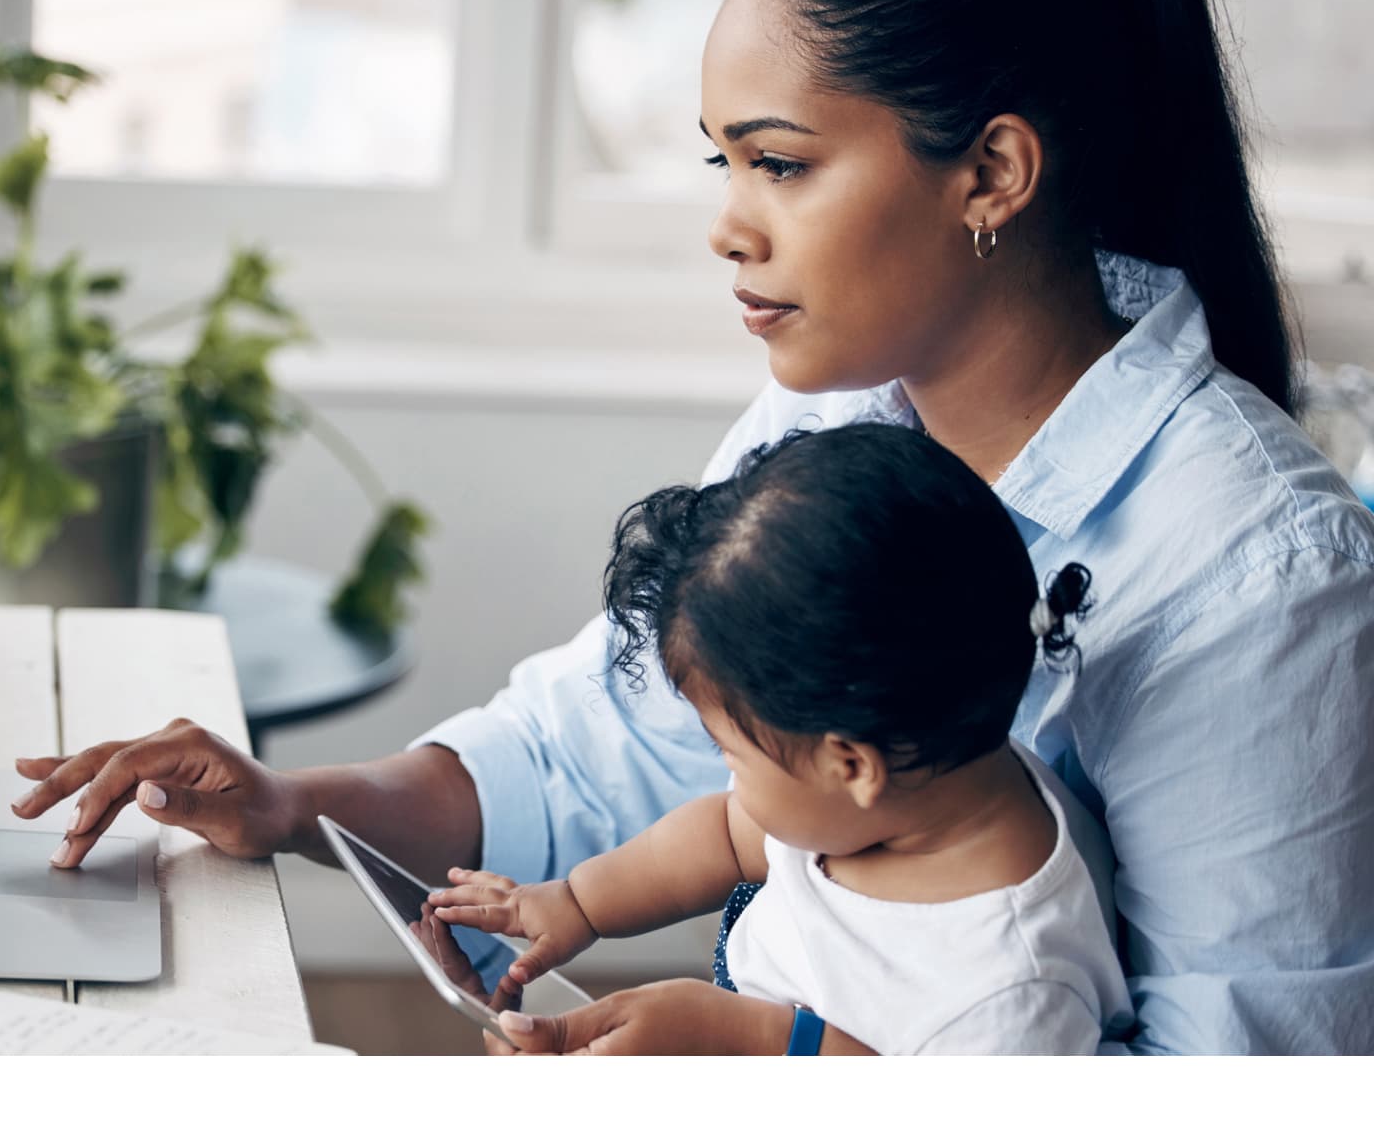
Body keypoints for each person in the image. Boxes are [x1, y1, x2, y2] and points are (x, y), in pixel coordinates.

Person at [11, 0, 1374, 1054]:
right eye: (722, 162)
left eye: (781, 165)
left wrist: (760, 1058)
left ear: (995, 173)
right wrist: (300, 804)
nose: (728, 227)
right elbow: (590, 745)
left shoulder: (1259, 577)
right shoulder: (831, 426)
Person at [432, 424, 1132, 1054]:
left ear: (850, 764)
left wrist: (749, 1039)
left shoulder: (1010, 995)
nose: (730, 781)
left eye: (730, 752)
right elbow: (725, 835)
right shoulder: (918, 783)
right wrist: (578, 903)